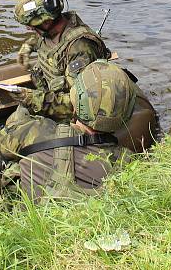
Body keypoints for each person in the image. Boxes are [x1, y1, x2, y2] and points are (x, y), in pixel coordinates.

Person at [0, 0, 110, 155]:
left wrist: (35, 99)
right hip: (49, 100)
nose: (29, 29)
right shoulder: (52, 30)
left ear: (47, 21)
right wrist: (28, 46)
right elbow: (43, 40)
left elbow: (81, 107)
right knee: (13, 124)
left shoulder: (80, 49)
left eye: (32, 26)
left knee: (9, 145)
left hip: (72, 120)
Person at [16, 59, 140, 200]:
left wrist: (21, 112)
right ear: (127, 112)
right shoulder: (128, 162)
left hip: (37, 218)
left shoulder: (37, 131)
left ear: (75, 102)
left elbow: (0, 144)